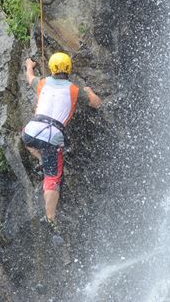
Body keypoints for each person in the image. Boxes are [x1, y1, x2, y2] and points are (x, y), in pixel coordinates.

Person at [21, 52, 102, 233]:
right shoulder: (74, 90)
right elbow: (97, 103)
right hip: (52, 137)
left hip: (30, 131)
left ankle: (41, 158)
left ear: (51, 68)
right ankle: (50, 218)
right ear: (68, 69)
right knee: (52, 177)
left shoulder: (42, 83)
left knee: (27, 138)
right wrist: (89, 91)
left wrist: (29, 65)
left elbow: (30, 78)